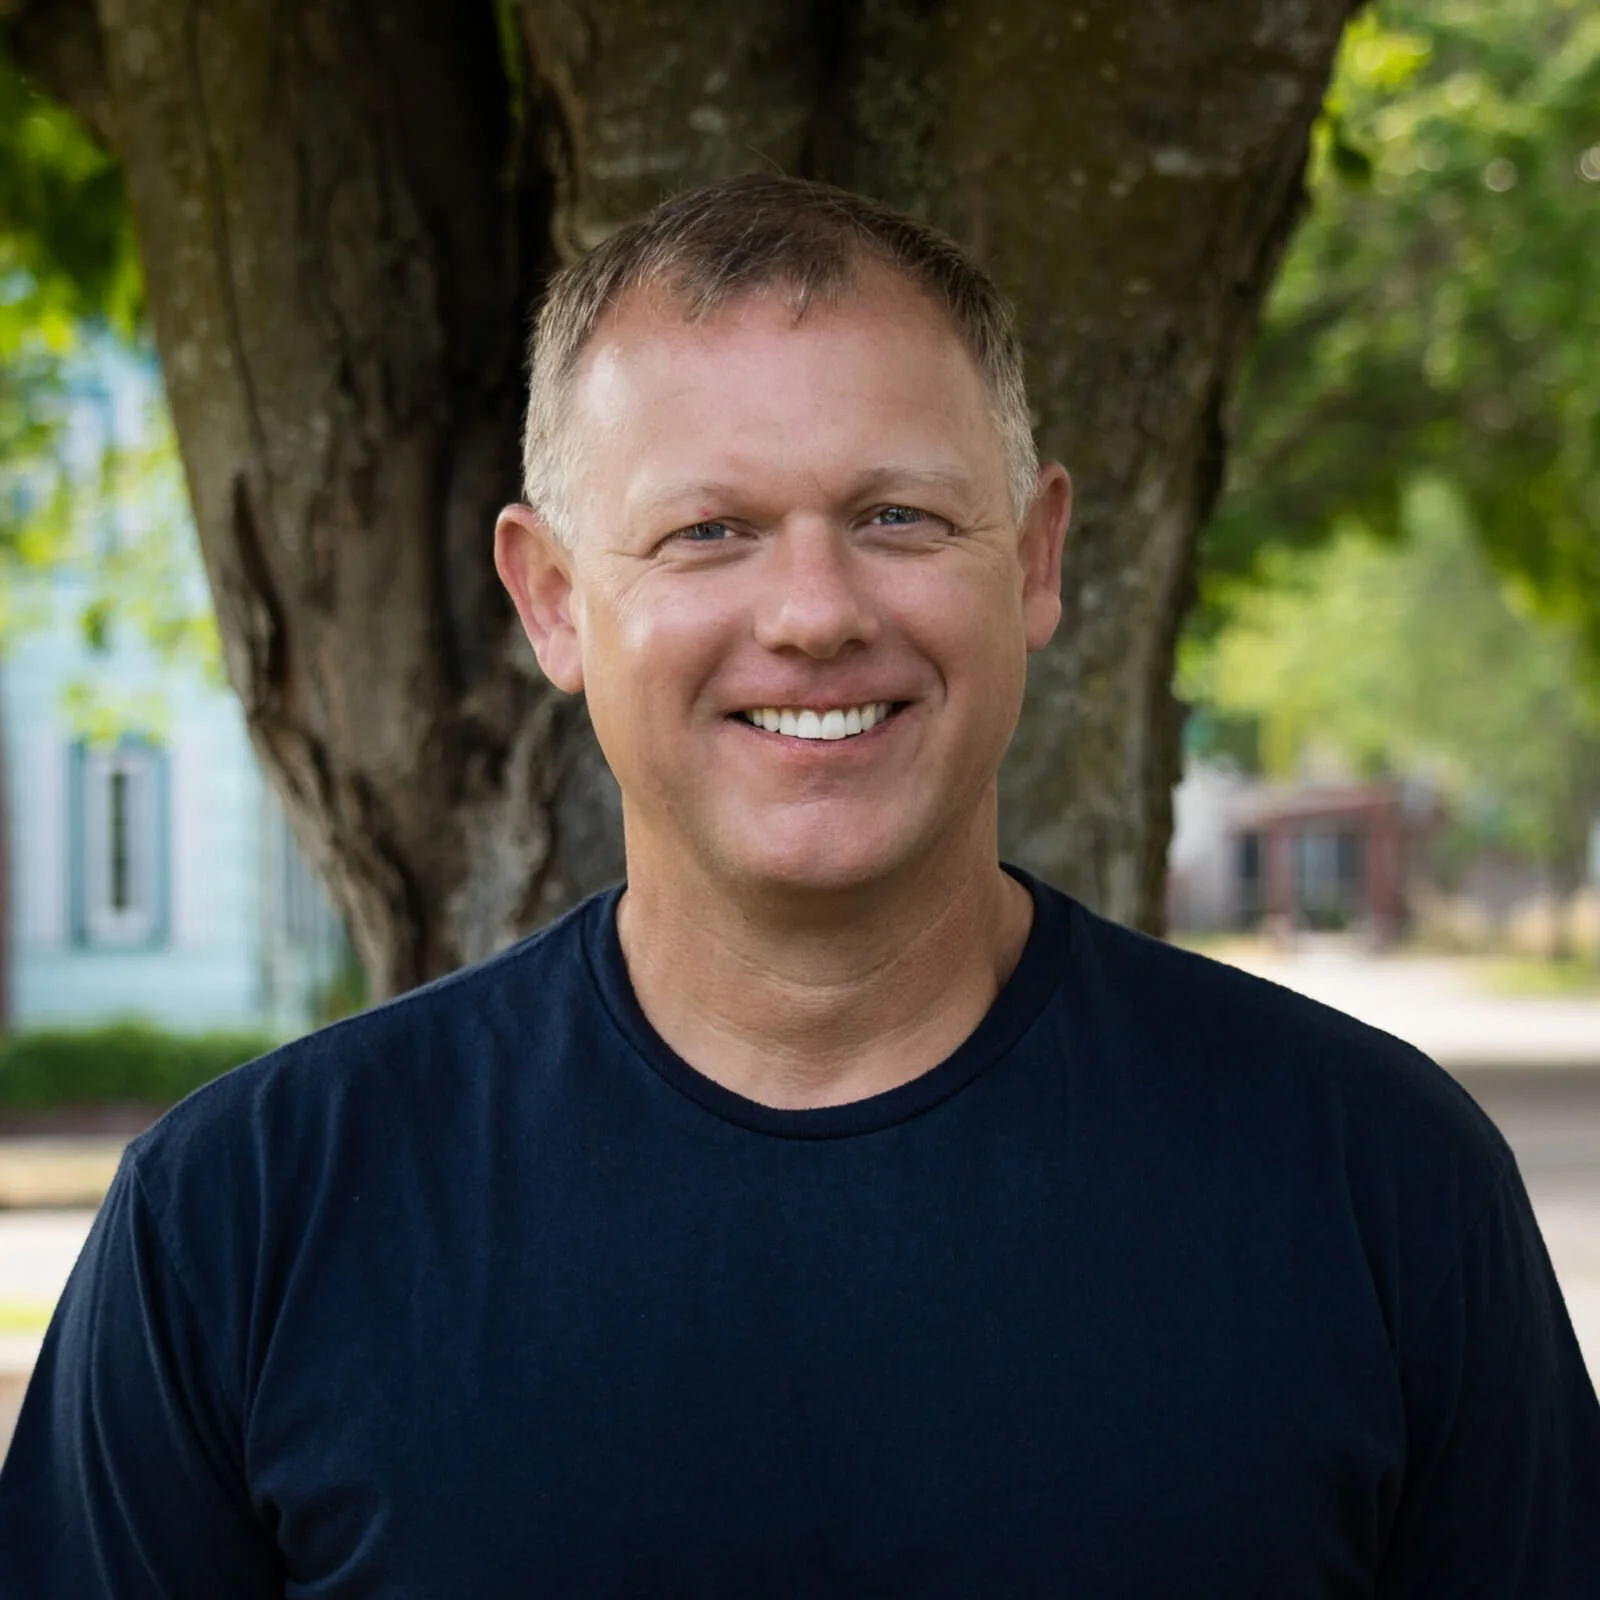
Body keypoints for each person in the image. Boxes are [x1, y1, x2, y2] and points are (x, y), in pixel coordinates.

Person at [2, 174, 1596, 1597]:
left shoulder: (1374, 1183)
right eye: (709, 532)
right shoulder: (245, 1221)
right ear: (553, 601)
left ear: (1035, 562)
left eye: (898, 516)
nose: (817, 612)